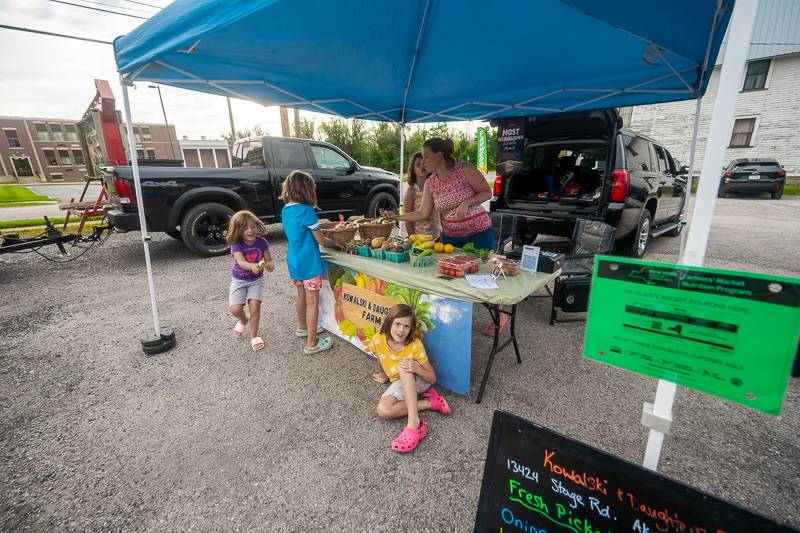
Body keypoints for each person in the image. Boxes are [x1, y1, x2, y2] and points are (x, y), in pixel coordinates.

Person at [383, 137, 506, 335]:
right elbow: (423, 213)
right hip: (451, 238)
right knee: (457, 278)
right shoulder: (431, 183)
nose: (423, 162)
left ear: (439, 155)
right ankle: (459, 318)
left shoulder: (464, 169)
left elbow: (486, 192)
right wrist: (397, 216)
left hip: (479, 233)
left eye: (426, 156)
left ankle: (500, 314)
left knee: (487, 275)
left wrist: (467, 202)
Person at [367, 304, 451, 453]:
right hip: (400, 381)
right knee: (383, 410)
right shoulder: (379, 339)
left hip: (419, 379)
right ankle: (429, 403)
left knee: (404, 365)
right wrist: (383, 375)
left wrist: (416, 368)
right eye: (398, 324)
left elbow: (432, 378)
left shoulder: (415, 345)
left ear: (411, 329)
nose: (401, 330)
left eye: (406, 326)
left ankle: (414, 425)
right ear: (389, 322)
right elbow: (380, 356)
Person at [280, 170, 341, 354]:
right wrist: (337, 244)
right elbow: (322, 240)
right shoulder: (307, 211)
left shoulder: (286, 210)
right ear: (307, 190)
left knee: (300, 295)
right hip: (309, 263)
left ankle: (303, 327)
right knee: (312, 302)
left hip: (294, 261)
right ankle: (312, 343)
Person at [227, 210, 274, 351]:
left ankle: (254, 336)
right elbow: (240, 262)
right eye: (245, 228)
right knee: (235, 309)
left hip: (256, 280)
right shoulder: (237, 244)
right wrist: (252, 266)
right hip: (239, 280)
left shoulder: (262, 242)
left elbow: (268, 260)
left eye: (253, 226)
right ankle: (243, 319)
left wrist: (270, 265)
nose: (250, 230)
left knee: (255, 307)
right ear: (238, 230)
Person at [403, 151, 440, 238]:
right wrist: (413, 240)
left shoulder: (434, 186)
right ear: (413, 169)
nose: (422, 167)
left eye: (424, 164)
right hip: (421, 239)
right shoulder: (411, 191)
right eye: (418, 165)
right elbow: (407, 221)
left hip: (437, 236)